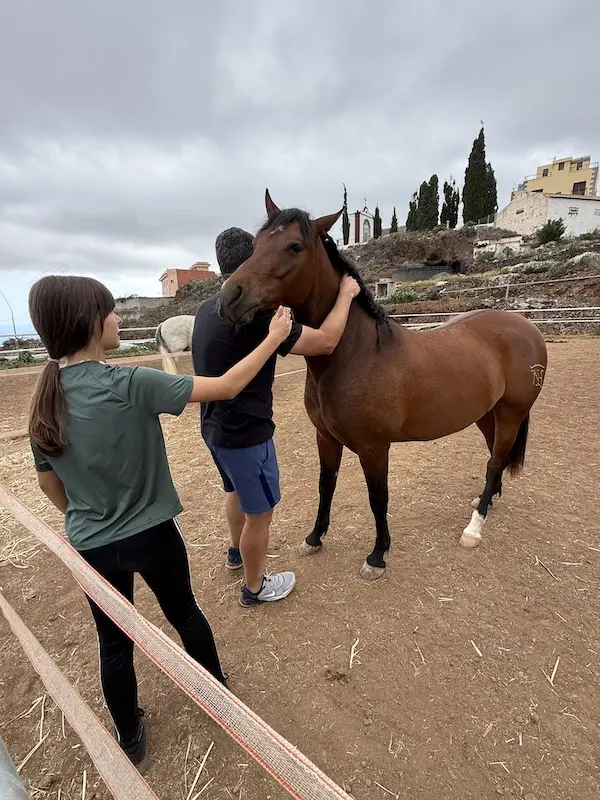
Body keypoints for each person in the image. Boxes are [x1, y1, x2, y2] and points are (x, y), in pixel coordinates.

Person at [28, 274, 293, 770]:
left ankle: (130, 738)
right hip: (153, 532)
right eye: (110, 311)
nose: (118, 318)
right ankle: (219, 698)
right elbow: (230, 386)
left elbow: (50, 488)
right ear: (89, 323)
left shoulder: (43, 403)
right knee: (186, 614)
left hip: (92, 545)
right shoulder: (131, 382)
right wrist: (274, 339)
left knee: (113, 644)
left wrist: (89, 520)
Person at [192, 227, 359, 608]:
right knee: (260, 515)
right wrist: (347, 295)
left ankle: (235, 553)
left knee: (233, 492)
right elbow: (326, 341)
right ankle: (255, 587)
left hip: (213, 428)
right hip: (247, 436)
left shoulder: (206, 308)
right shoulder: (257, 317)